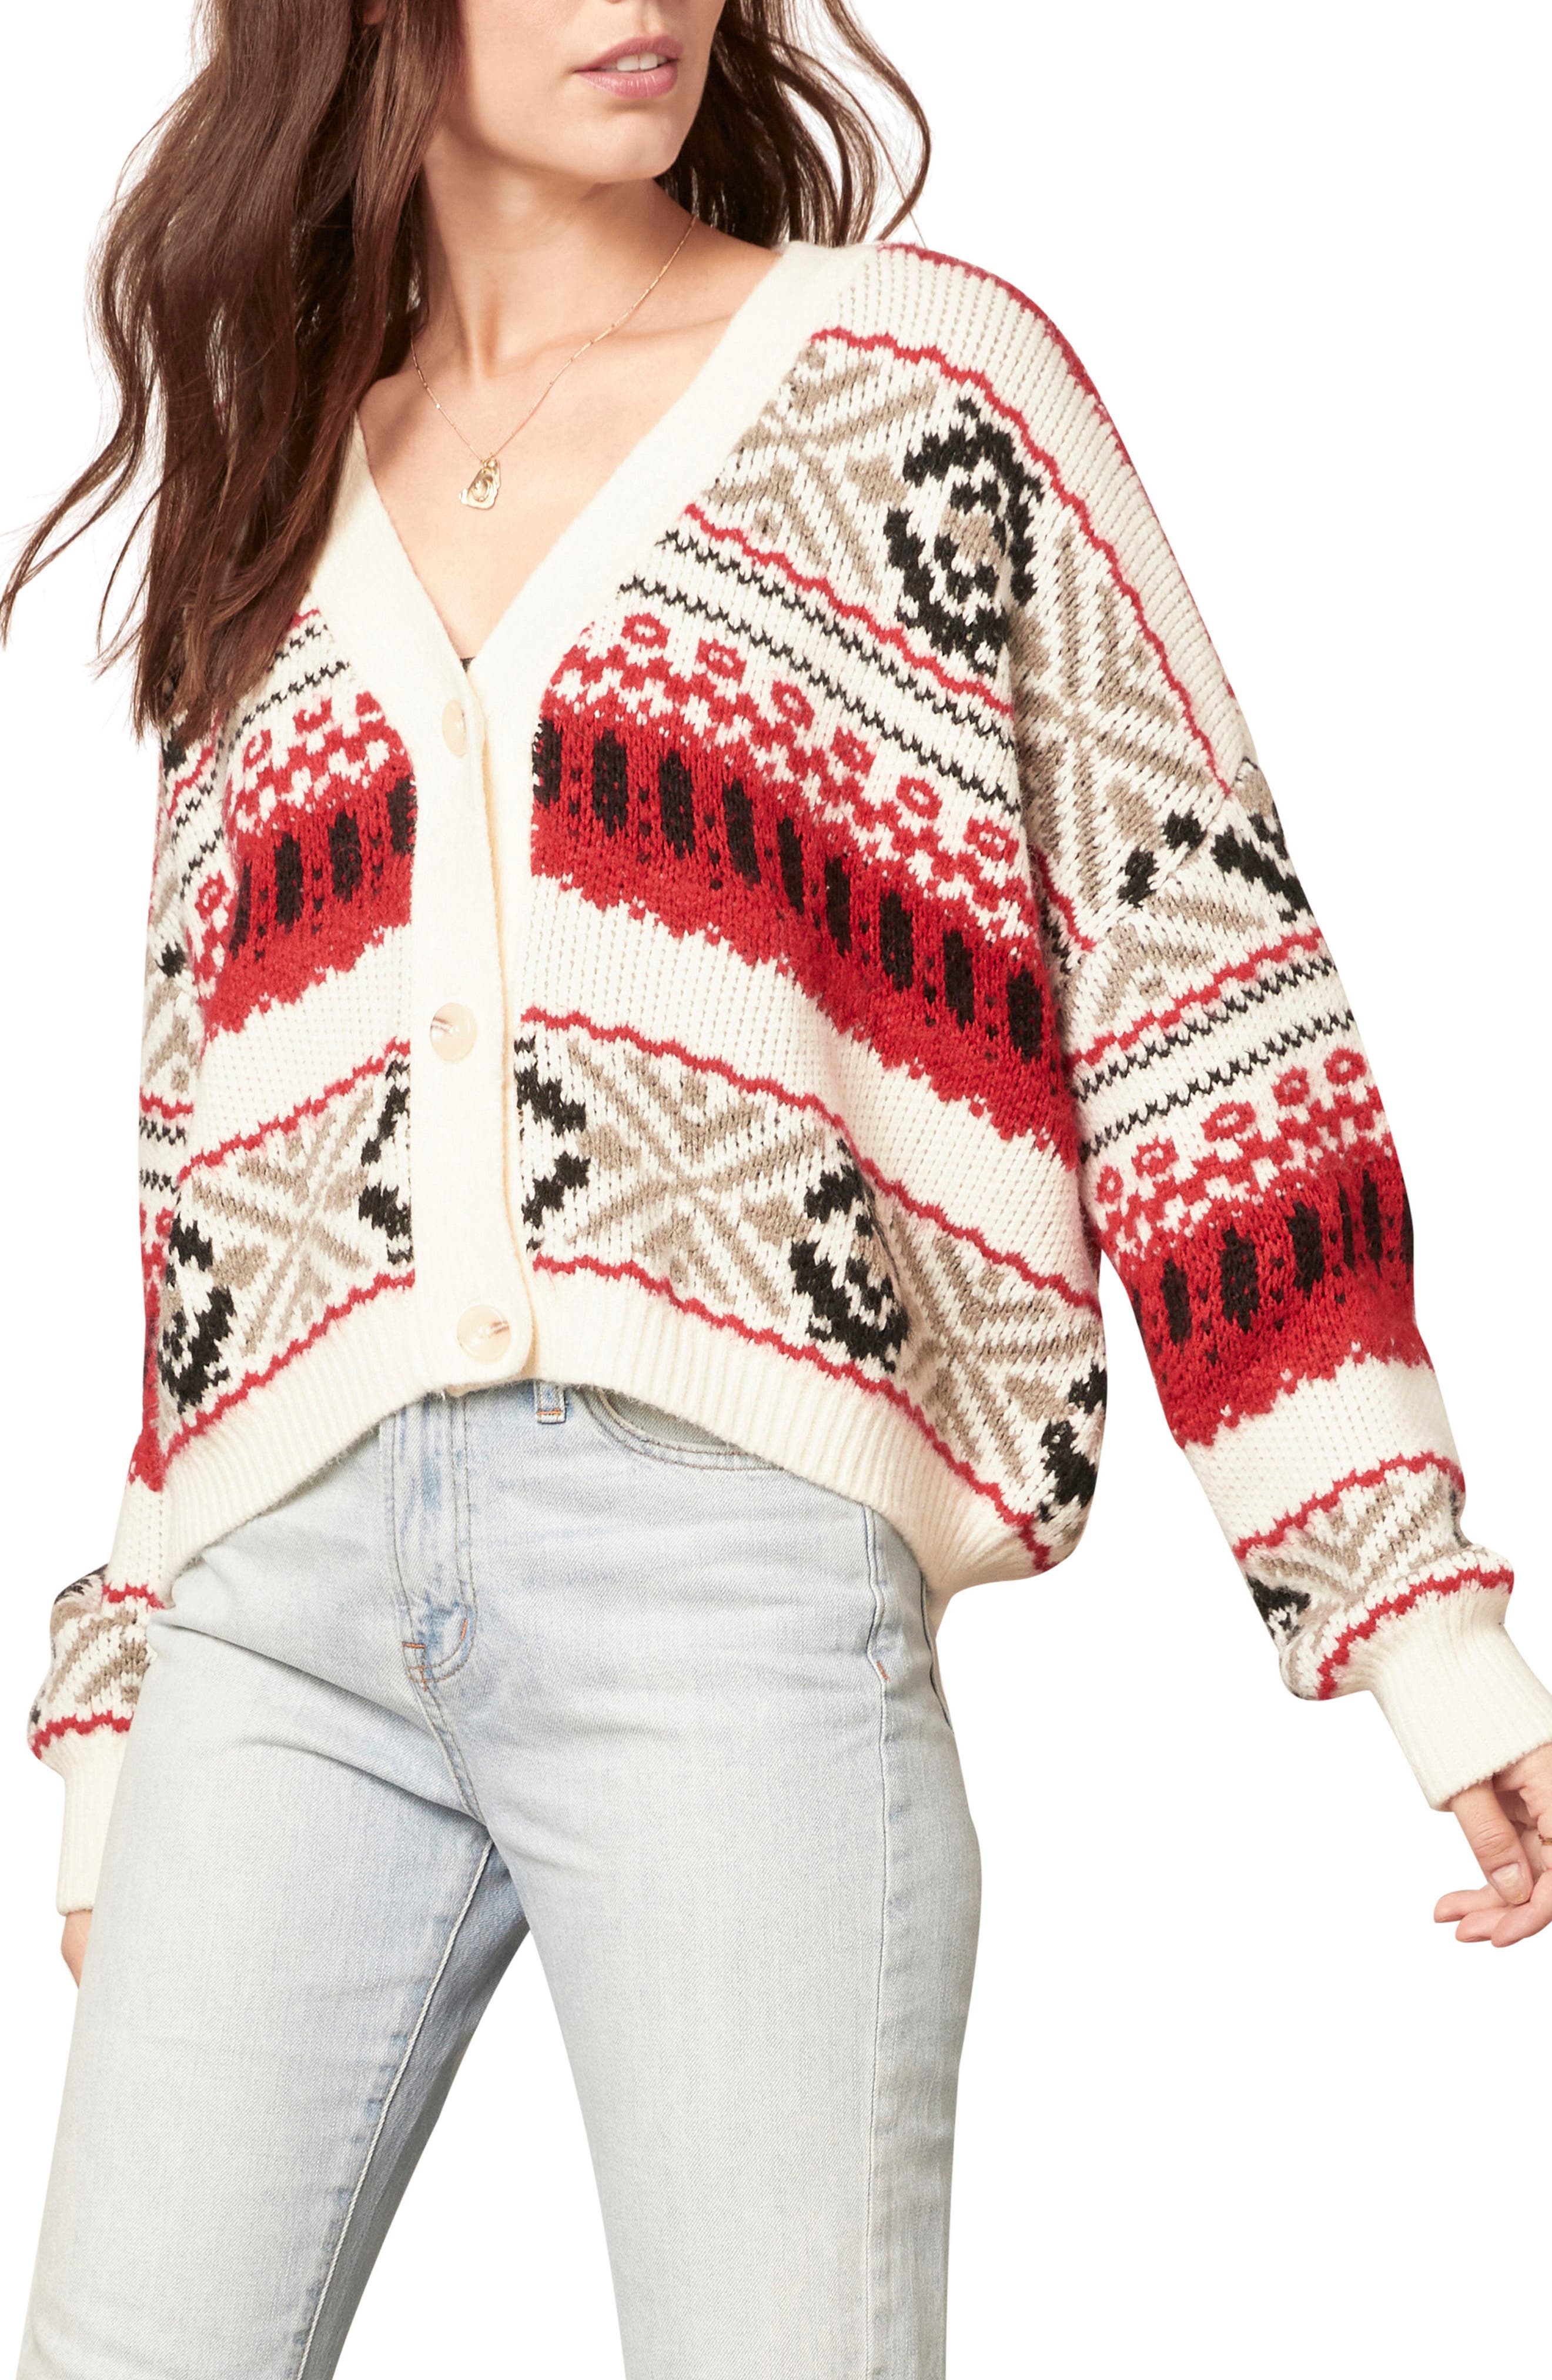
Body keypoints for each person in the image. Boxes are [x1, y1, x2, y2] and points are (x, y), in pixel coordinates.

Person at [7, 1, 1552, 2372]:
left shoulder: (921, 386)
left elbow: (1198, 982)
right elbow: (210, 1162)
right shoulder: (278, 488)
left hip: (728, 1590)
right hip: (276, 1622)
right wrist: (121, 1701)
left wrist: (1408, 1600)